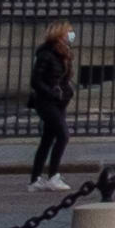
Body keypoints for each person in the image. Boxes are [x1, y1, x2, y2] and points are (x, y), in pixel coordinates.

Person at [25, 22, 77, 190]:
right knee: (63, 135)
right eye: (68, 32)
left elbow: (62, 78)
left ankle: (35, 180)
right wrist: (52, 92)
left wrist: (68, 89)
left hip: (59, 102)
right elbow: (36, 80)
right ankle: (53, 176)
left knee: (47, 140)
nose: (71, 35)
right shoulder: (46, 53)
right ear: (59, 34)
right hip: (46, 102)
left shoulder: (63, 53)